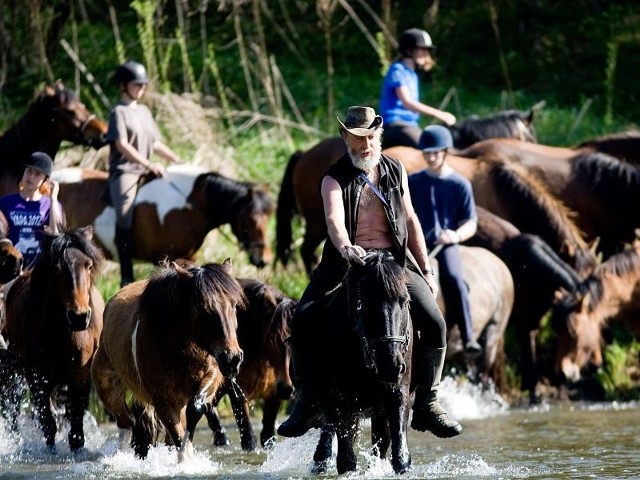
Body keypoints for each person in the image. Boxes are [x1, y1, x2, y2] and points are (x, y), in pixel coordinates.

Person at [277, 106, 462, 439]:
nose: (366, 144)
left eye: (371, 137)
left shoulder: (395, 170)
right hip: (347, 262)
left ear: (379, 135)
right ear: (345, 137)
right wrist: (346, 245)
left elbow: (410, 220)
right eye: (359, 138)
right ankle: (307, 400)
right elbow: (333, 220)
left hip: (394, 262)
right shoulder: (333, 177)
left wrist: (426, 269)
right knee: (303, 318)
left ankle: (427, 403)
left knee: (434, 321)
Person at [408, 125, 482, 357]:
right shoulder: (413, 181)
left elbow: (471, 221)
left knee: (454, 278)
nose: (430, 157)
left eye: (435, 152)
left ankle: (468, 336)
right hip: (418, 242)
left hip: (445, 243)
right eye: (426, 152)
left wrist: (455, 235)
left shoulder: (460, 184)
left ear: (445, 152)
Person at [106, 60, 181, 287]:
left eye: (143, 84)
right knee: (125, 212)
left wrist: (176, 160)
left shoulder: (145, 112)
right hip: (125, 172)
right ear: (123, 85)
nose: (141, 88)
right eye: (136, 84)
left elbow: (156, 143)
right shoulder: (117, 112)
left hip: (147, 168)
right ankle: (126, 273)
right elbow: (121, 145)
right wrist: (148, 164)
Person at [379, 28, 457, 150]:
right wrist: (440, 114)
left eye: (427, 50)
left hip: (410, 125)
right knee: (430, 147)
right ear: (408, 50)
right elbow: (407, 102)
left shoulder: (412, 75)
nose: (426, 54)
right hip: (395, 124)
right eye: (422, 49)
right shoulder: (397, 70)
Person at [0, 152, 64, 270]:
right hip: (10, 269)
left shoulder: (50, 205)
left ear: (45, 180)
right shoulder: (5, 203)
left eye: (37, 174)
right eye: (29, 171)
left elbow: (56, 234)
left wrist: (54, 199)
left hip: (39, 272)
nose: (31, 177)